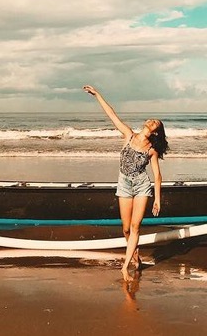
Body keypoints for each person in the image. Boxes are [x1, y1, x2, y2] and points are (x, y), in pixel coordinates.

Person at [83, 85, 168, 281]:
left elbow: (157, 176)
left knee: (136, 227)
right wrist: (97, 95)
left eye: (156, 123)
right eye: (152, 120)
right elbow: (112, 115)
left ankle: (125, 267)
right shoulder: (128, 135)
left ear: (155, 132)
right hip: (124, 184)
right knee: (126, 229)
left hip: (141, 186)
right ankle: (135, 255)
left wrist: (157, 200)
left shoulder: (152, 151)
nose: (152, 121)